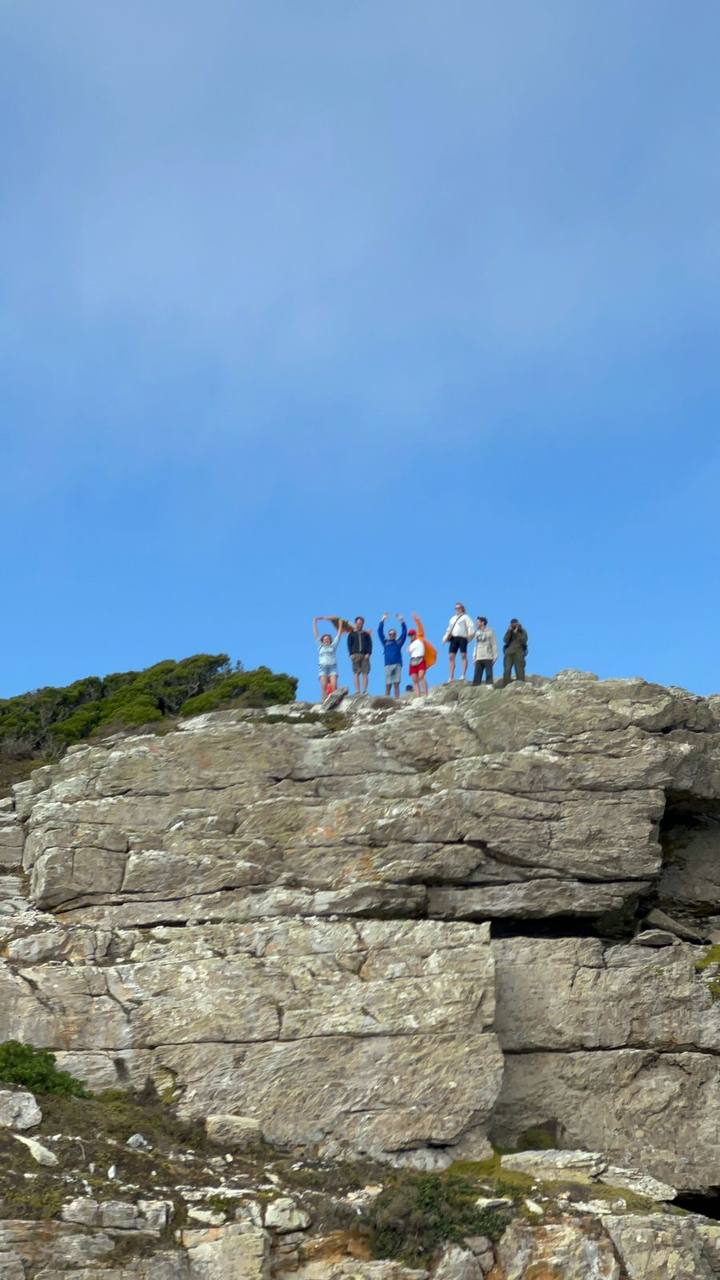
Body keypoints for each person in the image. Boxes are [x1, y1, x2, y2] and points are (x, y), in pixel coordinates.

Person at [442, 602, 475, 682]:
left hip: (463, 637)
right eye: (456, 608)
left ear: (462, 608)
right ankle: (451, 676)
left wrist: (469, 635)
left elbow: (471, 626)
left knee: (463, 655)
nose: (457, 609)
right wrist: (445, 638)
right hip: (454, 638)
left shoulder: (466, 617)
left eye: (458, 608)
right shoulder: (452, 618)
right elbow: (449, 629)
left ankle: (463, 674)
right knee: (451, 656)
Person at [313, 616, 343, 701]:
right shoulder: (320, 646)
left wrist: (340, 624)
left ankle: (335, 702)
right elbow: (316, 634)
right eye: (325, 639)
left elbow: (338, 635)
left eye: (328, 639)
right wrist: (315, 622)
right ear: (322, 640)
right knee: (324, 687)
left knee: (334, 686)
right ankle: (324, 702)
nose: (326, 640)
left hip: (332, 668)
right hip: (322, 668)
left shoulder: (333, 646)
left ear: (330, 640)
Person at [378, 613, 407, 697]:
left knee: (396, 684)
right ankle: (387, 700)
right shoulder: (385, 642)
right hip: (388, 665)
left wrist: (402, 621)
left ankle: (397, 700)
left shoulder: (398, 642)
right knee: (388, 685)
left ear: (395, 635)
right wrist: (382, 620)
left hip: (397, 664)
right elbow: (380, 632)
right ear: (388, 635)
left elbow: (404, 633)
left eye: (393, 634)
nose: (392, 635)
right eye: (390, 634)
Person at [347, 616, 372, 695]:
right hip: (355, 655)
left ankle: (365, 690)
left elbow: (370, 644)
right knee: (356, 673)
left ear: (363, 624)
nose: (359, 624)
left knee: (365, 673)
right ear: (355, 623)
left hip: (365, 655)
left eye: (361, 623)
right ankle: (357, 690)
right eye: (358, 623)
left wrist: (368, 653)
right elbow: (349, 644)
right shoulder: (351, 634)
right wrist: (351, 654)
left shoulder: (366, 634)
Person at [472, 616, 498, 685]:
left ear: (482, 622)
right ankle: (475, 687)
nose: (476, 623)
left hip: (488, 656)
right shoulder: (477, 632)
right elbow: (476, 645)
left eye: (478, 622)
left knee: (489, 674)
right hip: (478, 657)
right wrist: (474, 656)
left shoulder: (490, 631)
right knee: (477, 675)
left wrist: (495, 656)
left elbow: (494, 644)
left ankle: (489, 686)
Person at [503, 618, 528, 684]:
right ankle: (506, 684)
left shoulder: (522, 631)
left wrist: (517, 632)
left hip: (519, 652)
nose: (513, 625)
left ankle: (521, 683)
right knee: (507, 669)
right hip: (509, 652)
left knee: (519, 669)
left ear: (518, 624)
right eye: (512, 624)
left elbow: (524, 641)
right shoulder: (509, 631)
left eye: (515, 623)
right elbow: (505, 640)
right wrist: (509, 631)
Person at [407, 627, 428, 696]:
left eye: (412, 635)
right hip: (413, 660)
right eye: (410, 635)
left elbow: (421, 631)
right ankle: (418, 695)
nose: (411, 636)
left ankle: (426, 694)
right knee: (414, 679)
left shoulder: (420, 640)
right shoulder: (410, 644)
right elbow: (409, 652)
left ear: (415, 634)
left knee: (421, 676)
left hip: (420, 659)